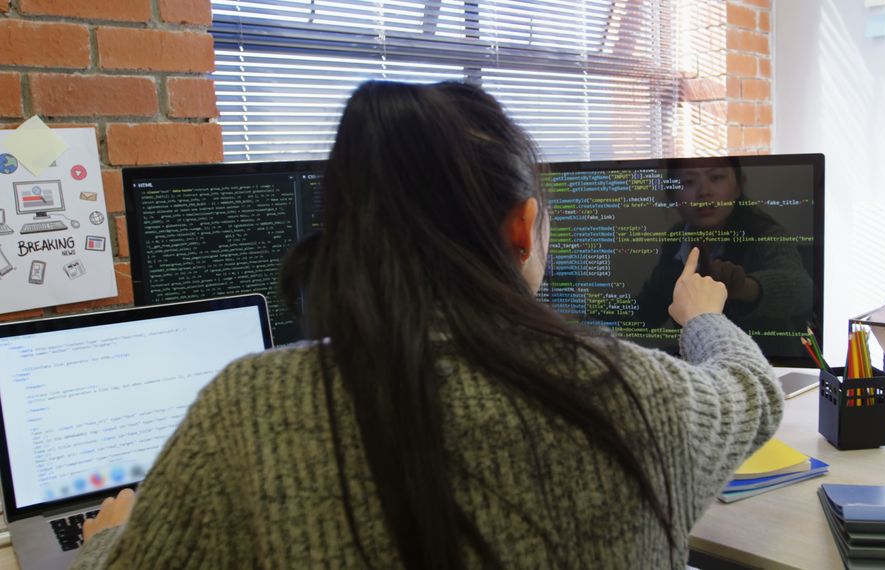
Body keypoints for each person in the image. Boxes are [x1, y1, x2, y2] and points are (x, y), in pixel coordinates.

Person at [74, 81, 782, 569]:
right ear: (522, 226)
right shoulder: (641, 391)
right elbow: (753, 391)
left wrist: (109, 540)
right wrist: (704, 319)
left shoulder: (248, 408)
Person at [635, 160, 814, 346]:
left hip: (765, 365)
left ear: (738, 187)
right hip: (698, 364)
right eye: (688, 182)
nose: (704, 192)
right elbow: (649, 309)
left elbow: (803, 289)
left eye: (716, 177)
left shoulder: (764, 232)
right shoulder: (676, 238)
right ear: (672, 195)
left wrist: (744, 287)